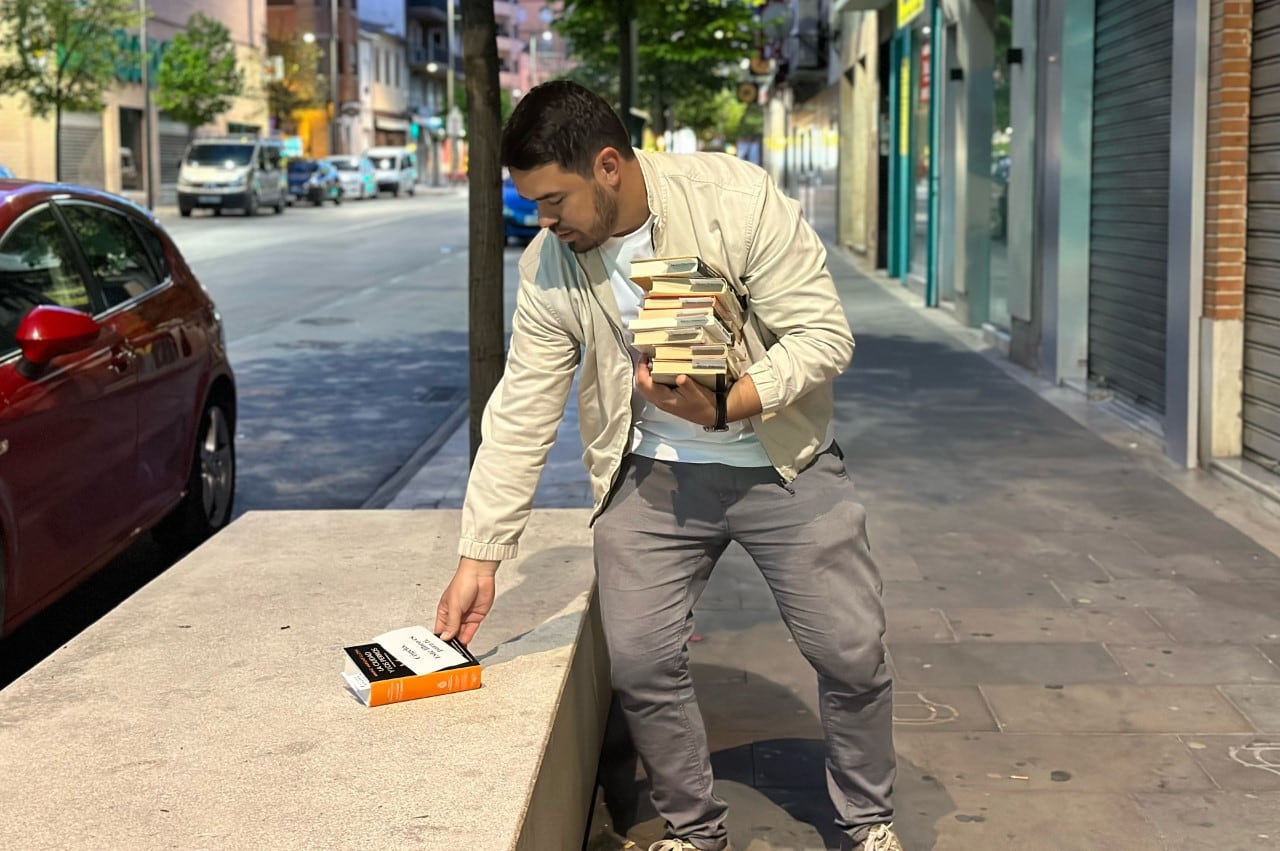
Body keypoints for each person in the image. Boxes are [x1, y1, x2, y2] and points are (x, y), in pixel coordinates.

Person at [434, 80, 901, 851]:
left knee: (851, 653)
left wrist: (731, 404)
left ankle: (866, 820)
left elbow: (824, 337)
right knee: (643, 662)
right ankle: (694, 831)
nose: (543, 222)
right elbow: (524, 404)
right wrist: (480, 552)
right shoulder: (551, 264)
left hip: (781, 457)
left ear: (608, 166)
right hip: (650, 469)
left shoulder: (734, 198)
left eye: (554, 201)